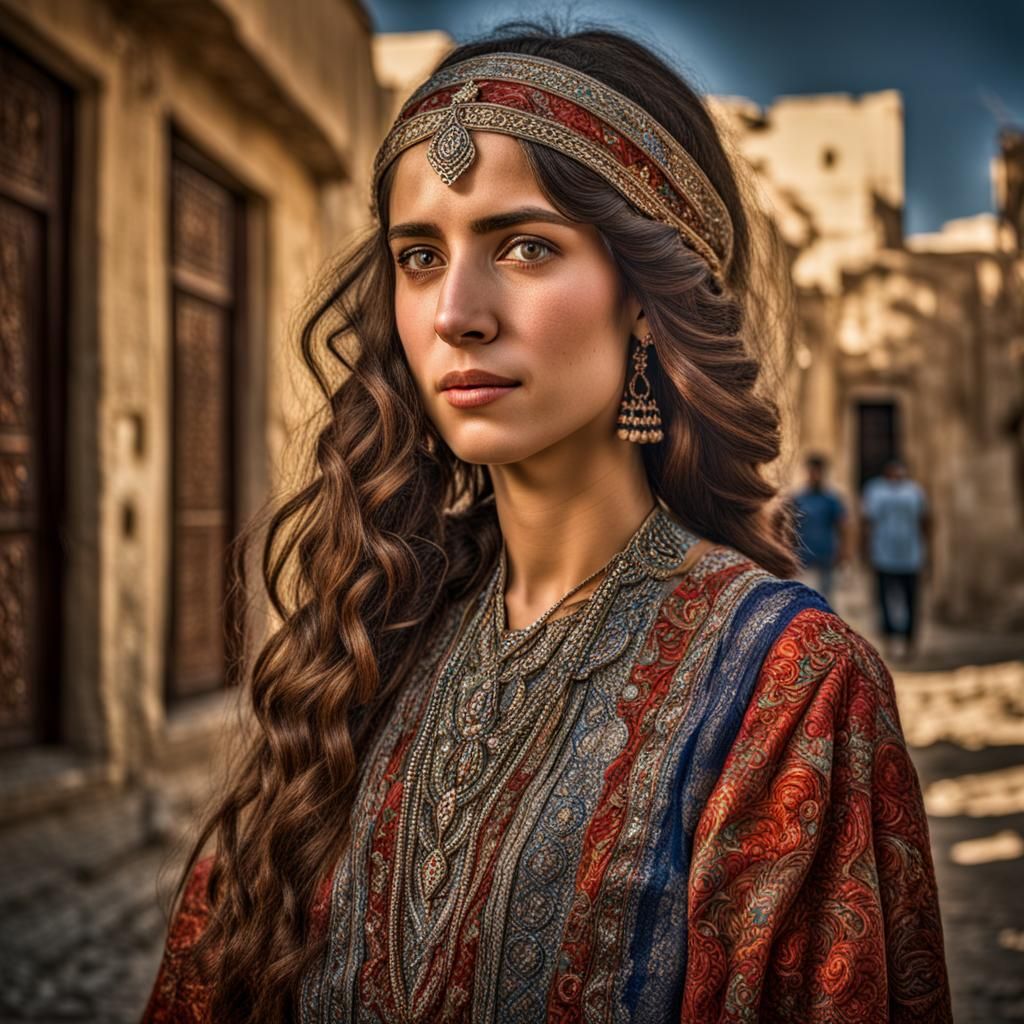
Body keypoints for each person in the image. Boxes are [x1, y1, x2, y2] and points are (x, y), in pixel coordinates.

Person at [141, 24, 952, 1024]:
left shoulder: (790, 692)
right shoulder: (369, 637)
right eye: (420, 255)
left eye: (525, 246)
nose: (456, 312)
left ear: (647, 299)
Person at [862, 458, 931, 660]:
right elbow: (868, 522)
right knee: (884, 600)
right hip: (883, 555)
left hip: (911, 556)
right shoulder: (876, 491)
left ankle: (910, 642)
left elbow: (925, 522)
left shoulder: (915, 492)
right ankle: (890, 641)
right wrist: (865, 550)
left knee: (911, 600)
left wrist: (928, 553)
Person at [791, 452, 849, 604]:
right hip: (804, 556)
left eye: (818, 471)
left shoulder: (831, 499)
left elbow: (841, 525)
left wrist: (843, 551)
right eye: (812, 471)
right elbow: (791, 526)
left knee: (827, 599)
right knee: (804, 599)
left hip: (826, 554)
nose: (814, 475)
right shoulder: (799, 498)